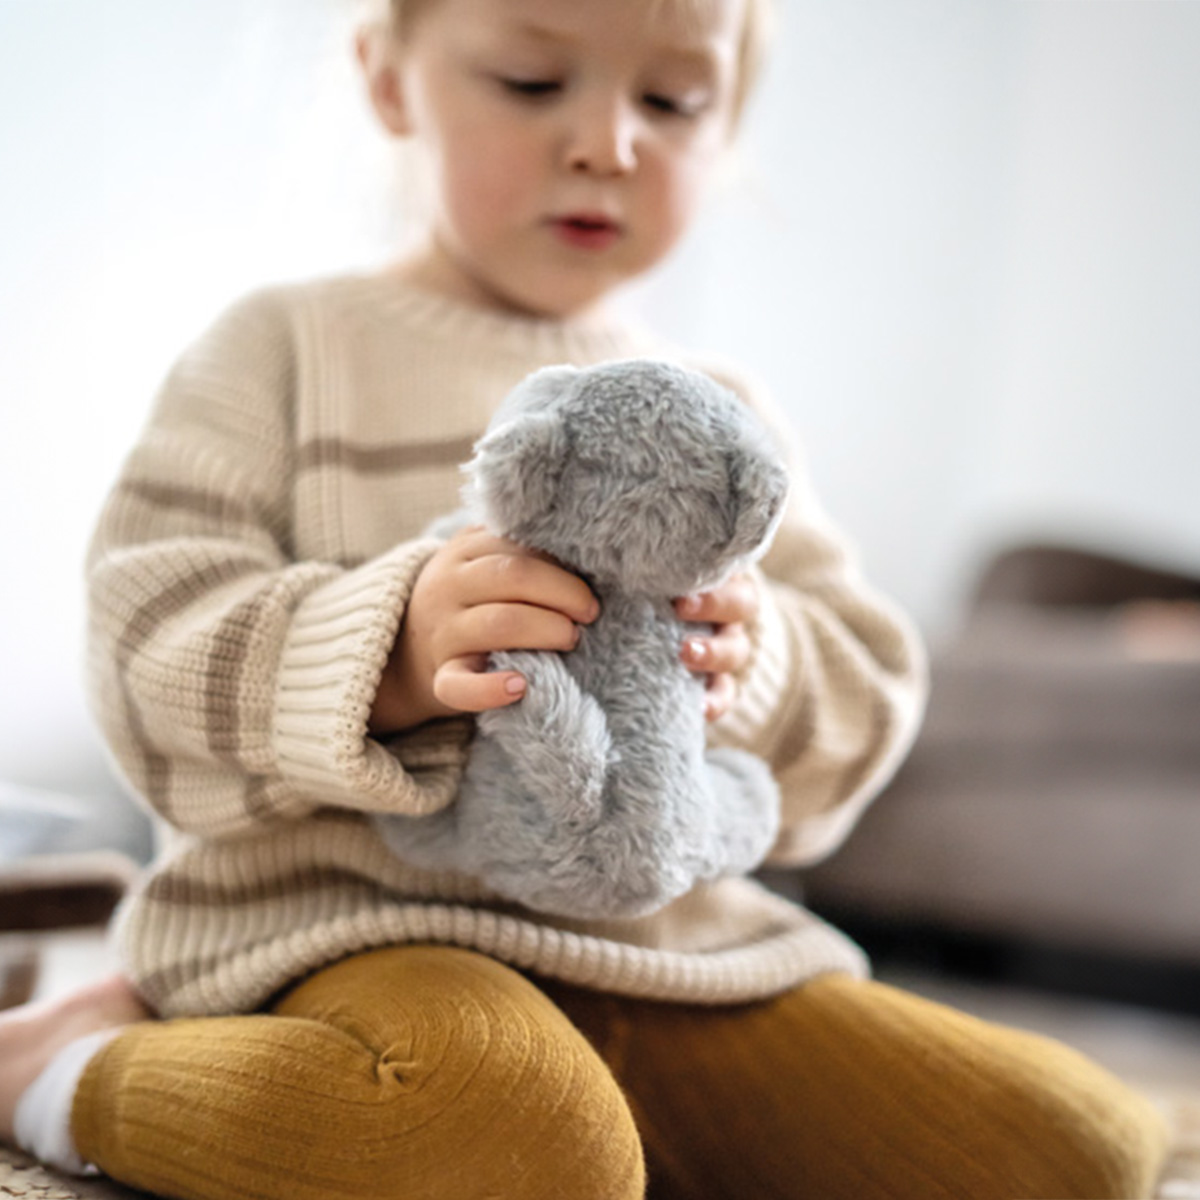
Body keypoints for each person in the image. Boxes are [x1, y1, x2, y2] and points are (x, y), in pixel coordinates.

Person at [0, 1, 1171, 1197]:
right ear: (390, 80)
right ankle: (66, 1067)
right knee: (499, 1137)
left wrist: (751, 659)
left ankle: (618, 1141)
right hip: (341, 942)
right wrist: (386, 659)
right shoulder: (281, 349)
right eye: (529, 81)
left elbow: (867, 708)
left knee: (1072, 1152)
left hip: (670, 959)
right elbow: (142, 644)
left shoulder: (724, 424)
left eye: (671, 103)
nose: (610, 144)